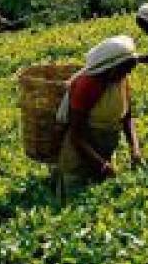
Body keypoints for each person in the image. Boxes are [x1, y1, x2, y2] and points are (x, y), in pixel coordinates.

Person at [53, 36, 142, 201]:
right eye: (126, 69)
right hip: (80, 155)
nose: (128, 74)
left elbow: (127, 116)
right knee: (75, 203)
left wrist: (135, 149)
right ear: (112, 67)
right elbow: (76, 134)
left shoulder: (120, 79)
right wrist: (101, 165)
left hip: (104, 149)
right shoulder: (89, 85)